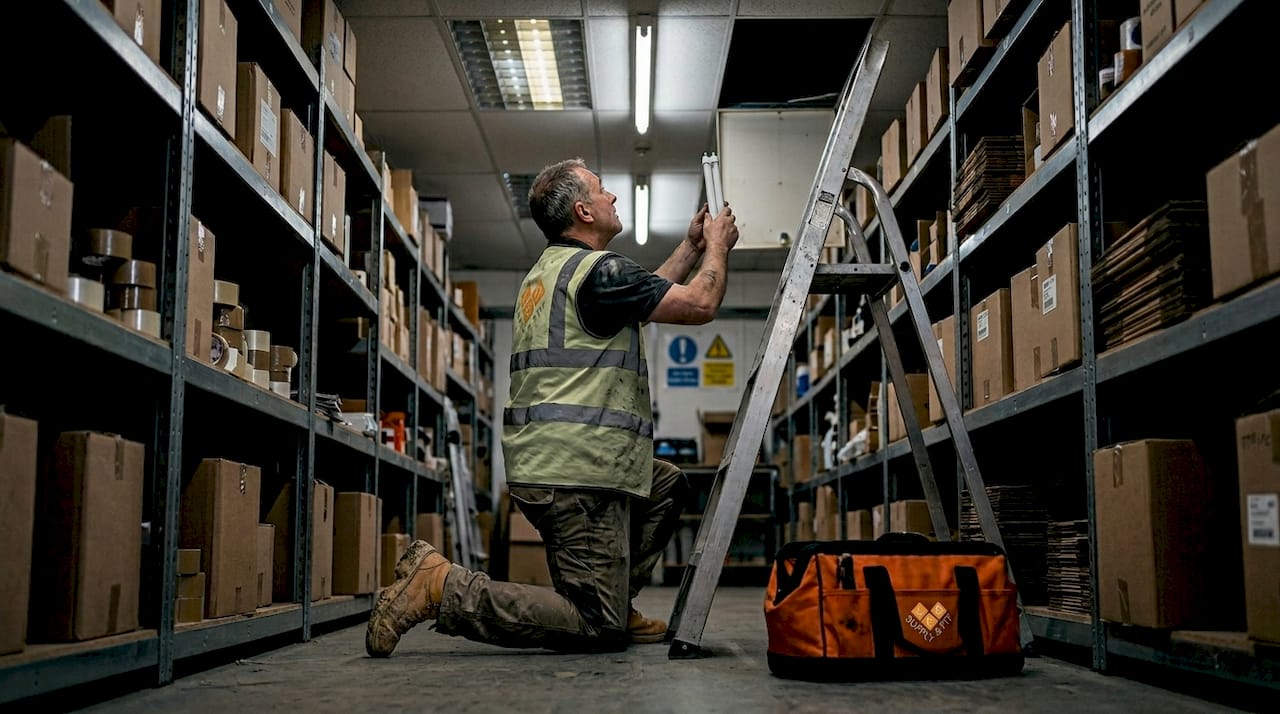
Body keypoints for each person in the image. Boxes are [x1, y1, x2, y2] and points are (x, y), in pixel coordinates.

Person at [366, 157, 740, 657]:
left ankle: (613, 596)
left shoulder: (554, 273)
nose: (613, 197)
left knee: (668, 484)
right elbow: (698, 304)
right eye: (604, 191)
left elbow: (645, 298)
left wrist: (692, 246)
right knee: (595, 628)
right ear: (584, 211)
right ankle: (440, 587)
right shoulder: (598, 273)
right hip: (578, 473)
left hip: (559, 462)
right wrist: (717, 246)